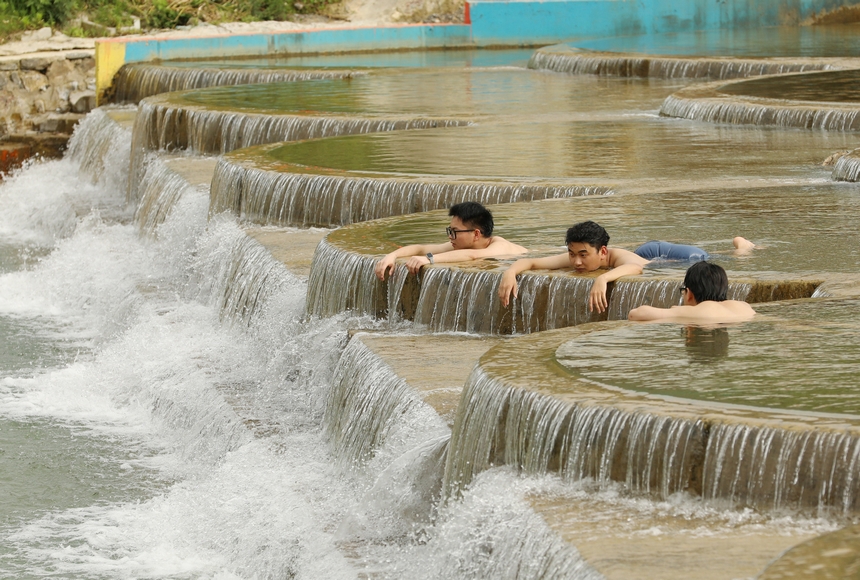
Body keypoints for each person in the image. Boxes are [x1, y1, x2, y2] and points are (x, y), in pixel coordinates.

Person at [497, 220, 754, 312]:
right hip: (647, 253)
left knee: (718, 258)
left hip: (679, 256)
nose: (576, 262)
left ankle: (742, 247)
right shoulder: (581, 257)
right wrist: (510, 272)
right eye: (572, 254)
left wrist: (603, 278)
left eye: (583, 255)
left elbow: (636, 268)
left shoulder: (616, 258)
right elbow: (532, 262)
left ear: (603, 252)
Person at [374, 201, 527, 281]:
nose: (450, 236)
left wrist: (429, 259)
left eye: (455, 231)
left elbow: (473, 256)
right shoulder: (461, 245)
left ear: (476, 234)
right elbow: (421, 248)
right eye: (450, 231)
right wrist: (392, 256)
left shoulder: (500, 246)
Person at [628, 261, 755, 323]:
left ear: (689, 293)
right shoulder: (743, 306)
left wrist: (676, 311)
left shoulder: (697, 311)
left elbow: (635, 314)